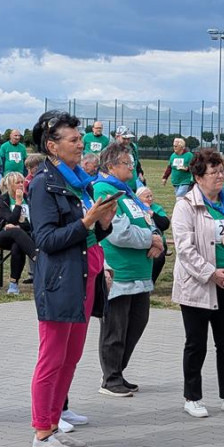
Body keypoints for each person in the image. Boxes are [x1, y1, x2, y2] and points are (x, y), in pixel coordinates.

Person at [28, 111, 117, 447]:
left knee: (71, 357)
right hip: (60, 282)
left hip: (83, 278)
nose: (81, 144)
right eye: (73, 139)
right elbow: (48, 239)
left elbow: (83, 234)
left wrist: (102, 224)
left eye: (80, 138)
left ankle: (54, 424)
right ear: (52, 145)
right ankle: (41, 434)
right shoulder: (42, 183)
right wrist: (87, 221)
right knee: (51, 358)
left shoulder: (76, 180)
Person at [171, 148, 224, 418]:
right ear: (198, 176)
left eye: (222, 170)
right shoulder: (186, 205)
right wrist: (211, 273)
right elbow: (185, 249)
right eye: (214, 172)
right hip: (198, 285)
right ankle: (192, 397)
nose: (220, 176)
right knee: (196, 344)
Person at [93, 143, 164, 397]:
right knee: (116, 328)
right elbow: (118, 231)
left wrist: (157, 237)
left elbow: (148, 219)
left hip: (140, 272)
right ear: (111, 166)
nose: (132, 168)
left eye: (132, 163)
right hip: (119, 272)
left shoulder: (129, 192)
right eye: (127, 163)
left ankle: (118, 371)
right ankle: (110, 378)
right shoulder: (103, 190)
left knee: (137, 322)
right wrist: (150, 239)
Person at [0, 172, 37, 295]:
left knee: (17, 246)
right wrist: (18, 203)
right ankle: (36, 257)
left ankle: (13, 284)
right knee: (15, 231)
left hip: (23, 236)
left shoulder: (28, 198)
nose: (20, 185)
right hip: (4, 235)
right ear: (10, 185)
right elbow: (10, 220)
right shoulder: (4, 199)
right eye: (17, 182)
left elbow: (31, 223)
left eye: (21, 182)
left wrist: (19, 225)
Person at [136, 185, 171, 283]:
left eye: (151, 196)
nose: (150, 199)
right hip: (141, 240)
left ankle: (150, 282)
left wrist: (151, 213)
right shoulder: (135, 208)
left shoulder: (156, 208)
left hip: (158, 242)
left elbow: (165, 225)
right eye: (147, 197)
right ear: (138, 198)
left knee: (158, 258)